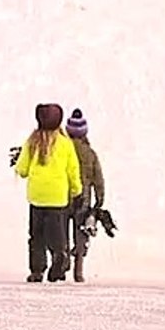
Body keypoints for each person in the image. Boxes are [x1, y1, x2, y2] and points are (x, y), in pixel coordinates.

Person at [13, 103, 82, 282]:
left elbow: (22, 169)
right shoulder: (65, 144)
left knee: (36, 236)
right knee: (56, 234)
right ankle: (59, 257)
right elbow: (73, 170)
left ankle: (37, 270)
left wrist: (23, 171)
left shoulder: (32, 142)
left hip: (37, 196)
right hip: (58, 197)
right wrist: (76, 190)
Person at [64, 108, 105, 283]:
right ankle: (78, 270)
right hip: (84, 199)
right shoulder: (90, 153)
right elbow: (98, 179)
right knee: (81, 234)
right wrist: (100, 200)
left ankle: (62, 258)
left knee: (61, 231)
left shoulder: (63, 149)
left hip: (64, 197)